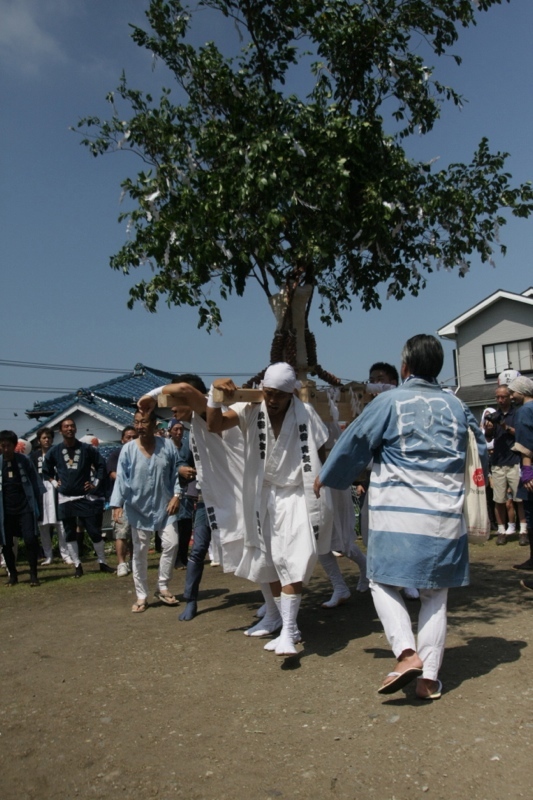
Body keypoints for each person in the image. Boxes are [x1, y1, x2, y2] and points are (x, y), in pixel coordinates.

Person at [315, 334, 487, 699]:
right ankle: (428, 679)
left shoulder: (389, 402)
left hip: (397, 515)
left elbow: (354, 443)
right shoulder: (457, 407)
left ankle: (407, 654)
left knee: (379, 580)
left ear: (405, 367)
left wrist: (328, 476)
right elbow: (480, 452)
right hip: (446, 517)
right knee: (434, 595)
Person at [206, 363, 333, 656]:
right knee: (271, 562)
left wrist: (319, 479)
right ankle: (287, 625)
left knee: (296, 558)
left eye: (279, 395)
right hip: (263, 496)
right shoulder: (250, 410)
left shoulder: (306, 414)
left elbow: (320, 450)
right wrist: (214, 396)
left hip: (297, 496)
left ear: (291, 394)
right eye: (268, 393)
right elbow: (213, 426)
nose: (272, 400)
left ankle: (288, 632)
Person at [139, 373, 245, 623]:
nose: (172, 409)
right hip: (207, 498)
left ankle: (275, 607)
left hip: (236, 497)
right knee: (197, 550)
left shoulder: (209, 413)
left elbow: (186, 388)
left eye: (174, 401)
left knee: (254, 550)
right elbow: (182, 462)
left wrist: (151, 396)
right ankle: (192, 599)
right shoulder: (189, 431)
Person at [110, 409, 181, 612]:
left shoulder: (167, 446)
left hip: (164, 506)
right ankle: (141, 595)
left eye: (144, 422)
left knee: (171, 543)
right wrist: (117, 504)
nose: (140, 426)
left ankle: (163, 585)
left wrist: (177, 495)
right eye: (136, 422)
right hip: (137, 507)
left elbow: (176, 473)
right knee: (140, 552)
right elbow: (122, 479)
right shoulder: (129, 450)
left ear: (154, 424)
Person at [42, 418, 114, 578]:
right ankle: (77, 565)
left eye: (72, 426)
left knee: (94, 531)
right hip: (65, 497)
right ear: (60, 431)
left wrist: (95, 482)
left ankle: (102, 562)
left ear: (75, 429)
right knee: (69, 532)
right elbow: (46, 470)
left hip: (84, 496)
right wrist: (54, 482)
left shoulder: (87, 449)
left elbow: (101, 465)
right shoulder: (55, 451)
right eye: (66, 426)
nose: (70, 428)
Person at [484, 385, 528, 545]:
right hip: (498, 462)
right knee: (499, 499)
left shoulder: (517, 413)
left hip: (515, 460)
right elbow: (488, 439)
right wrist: (488, 429)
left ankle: (523, 530)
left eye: (503, 397)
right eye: (498, 397)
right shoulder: (493, 415)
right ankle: (501, 531)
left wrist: (504, 426)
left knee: (519, 499)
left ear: (510, 397)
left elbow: (521, 433)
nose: (500, 400)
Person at [0, 429, 43, 586]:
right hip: (5, 510)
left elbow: (37, 485)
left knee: (30, 539)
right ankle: (13, 574)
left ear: (14, 445)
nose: (5, 449)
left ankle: (33, 574)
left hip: (25, 507)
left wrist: (39, 508)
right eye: (2, 446)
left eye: (8, 446)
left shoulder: (24, 461)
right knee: (6, 543)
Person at [31, 426, 72, 565]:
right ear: (39, 440)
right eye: (44, 438)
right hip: (41, 490)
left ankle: (65, 554)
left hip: (57, 489)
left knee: (60, 524)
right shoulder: (34, 456)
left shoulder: (59, 453)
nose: (47, 440)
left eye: (49, 437)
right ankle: (48, 555)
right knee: (43, 525)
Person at [507, 376, 533, 579]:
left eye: (513, 392)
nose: (511, 395)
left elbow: (525, 445)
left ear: (522, 392)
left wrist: (527, 472)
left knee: (531, 514)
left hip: (531, 467)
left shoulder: (524, 411)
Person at [106, 425, 137, 577]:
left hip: (138, 499)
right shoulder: (116, 454)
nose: (131, 440)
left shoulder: (141, 453)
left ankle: (133, 561)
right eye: (128, 437)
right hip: (121, 501)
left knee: (136, 533)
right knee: (121, 533)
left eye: (134, 437)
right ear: (122, 439)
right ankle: (121, 563)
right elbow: (114, 475)